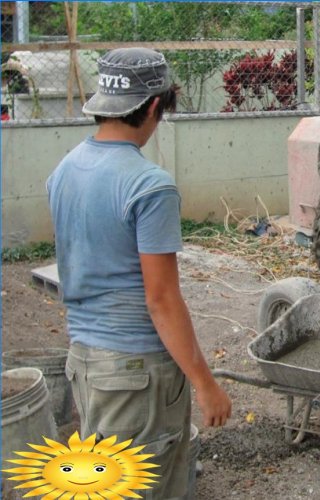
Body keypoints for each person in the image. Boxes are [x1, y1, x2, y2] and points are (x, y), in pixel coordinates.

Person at [47, 47, 232, 498]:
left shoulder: (64, 170)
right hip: (138, 375)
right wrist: (205, 385)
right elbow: (162, 300)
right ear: (153, 106)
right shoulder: (150, 186)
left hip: (85, 363)